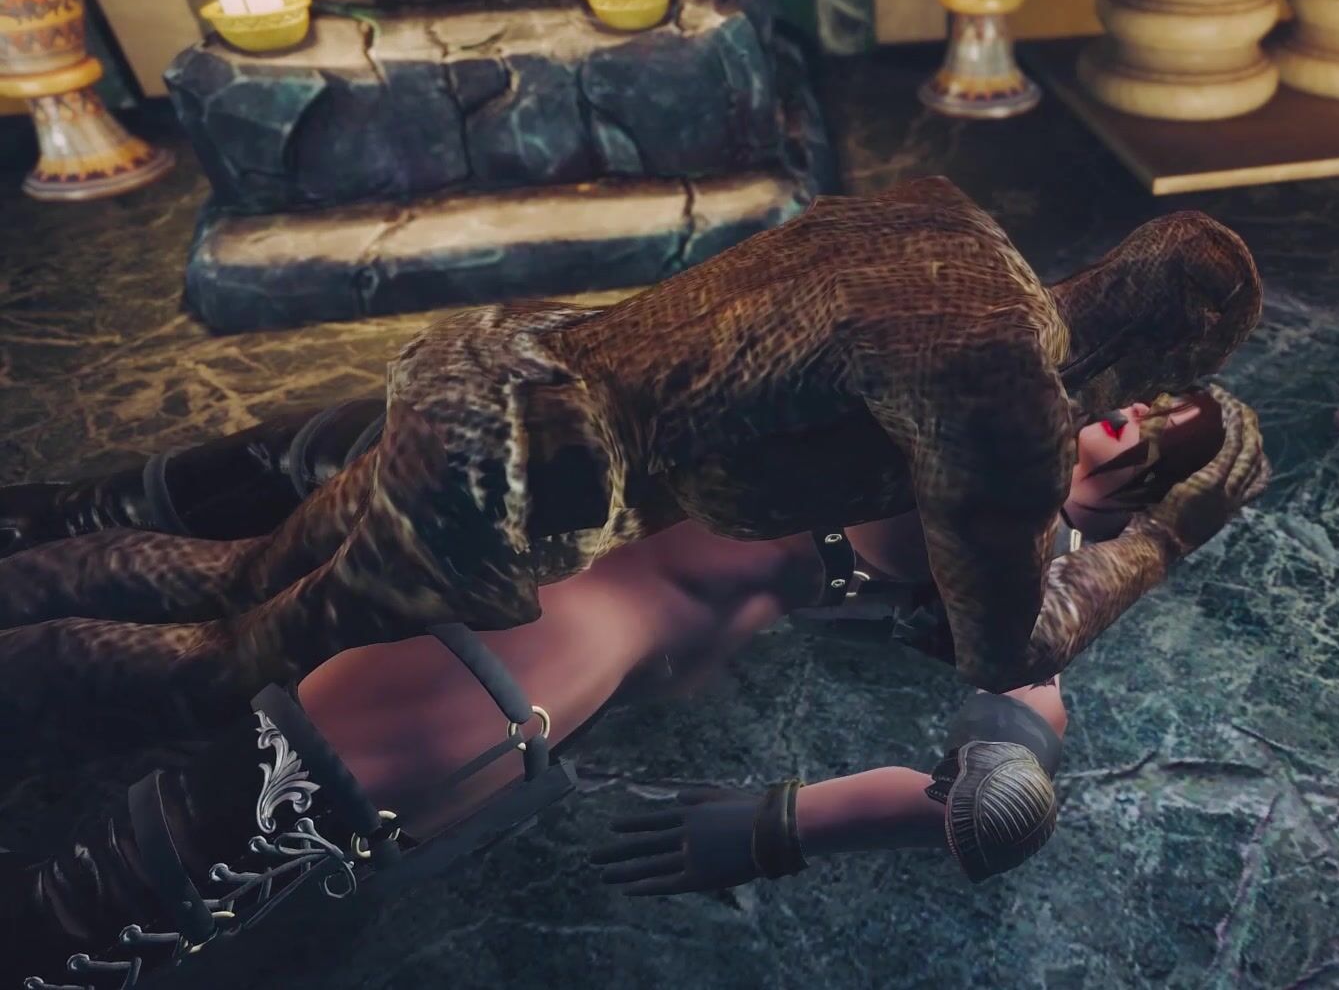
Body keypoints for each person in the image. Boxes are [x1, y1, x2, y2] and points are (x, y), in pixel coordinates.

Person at [1, 386, 1270, 988]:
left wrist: (796, 821)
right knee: (120, 562)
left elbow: (1002, 800)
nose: (1124, 403)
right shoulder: (996, 391)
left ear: (1136, 491)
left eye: (1154, 424)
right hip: (491, 505)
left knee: (95, 893)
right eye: (1145, 388)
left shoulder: (1014, 553)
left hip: (529, 645)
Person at [0, 175, 1262, 739]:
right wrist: (1169, 532)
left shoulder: (947, 217)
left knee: (238, 574)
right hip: (507, 481)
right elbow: (1002, 648)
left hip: (494, 368)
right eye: (1168, 390)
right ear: (1167, 353)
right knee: (230, 662)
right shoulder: (998, 397)